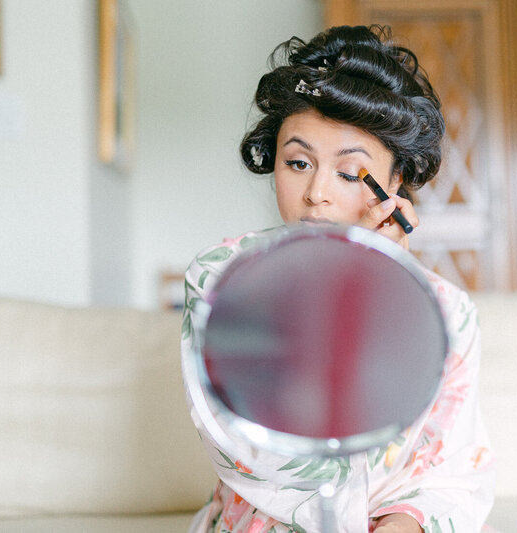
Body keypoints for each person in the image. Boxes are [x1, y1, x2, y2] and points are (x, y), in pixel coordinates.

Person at [181, 24, 496, 533]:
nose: (316, 193)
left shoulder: (449, 311)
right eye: (298, 162)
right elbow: (250, 451)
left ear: (394, 184)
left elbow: (452, 474)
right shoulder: (220, 279)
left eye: (350, 173)